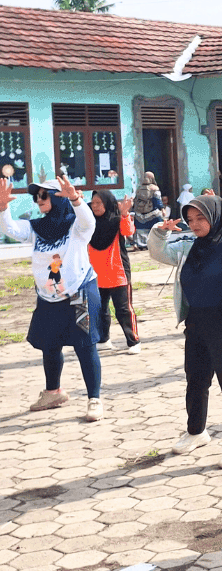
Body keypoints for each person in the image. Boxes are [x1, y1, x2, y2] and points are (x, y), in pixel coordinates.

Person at [149, 179, 222, 469]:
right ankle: (196, 432)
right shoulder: (189, 247)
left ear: (215, 217)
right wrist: (159, 233)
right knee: (196, 379)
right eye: (190, 219)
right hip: (196, 322)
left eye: (201, 217)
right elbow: (158, 252)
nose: (195, 223)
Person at [0, 176, 104, 422]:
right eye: (36, 196)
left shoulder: (75, 227)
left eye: (44, 195)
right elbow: (12, 229)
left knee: (84, 345)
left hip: (80, 292)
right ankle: (53, 392)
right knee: (49, 344)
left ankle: (94, 399)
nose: (38, 200)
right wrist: (3, 208)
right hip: (48, 296)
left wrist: (76, 199)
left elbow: (89, 223)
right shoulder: (37, 228)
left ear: (58, 198)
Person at [88, 190, 140, 354]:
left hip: (117, 273)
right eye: (93, 203)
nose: (95, 206)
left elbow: (128, 231)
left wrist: (125, 214)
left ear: (107, 203)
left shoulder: (117, 220)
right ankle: (104, 340)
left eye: (99, 203)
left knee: (123, 310)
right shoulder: (88, 222)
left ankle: (133, 342)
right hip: (96, 274)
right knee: (100, 309)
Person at [132, 172, 164, 250]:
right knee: (159, 225)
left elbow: (135, 200)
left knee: (139, 228)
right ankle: (156, 243)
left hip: (140, 213)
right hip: (152, 213)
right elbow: (157, 200)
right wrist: (162, 209)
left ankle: (138, 244)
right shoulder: (155, 188)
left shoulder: (139, 188)